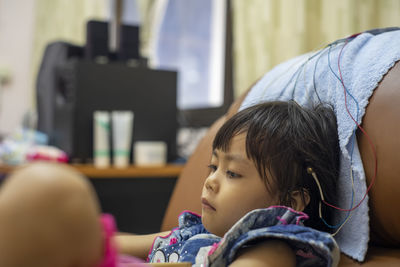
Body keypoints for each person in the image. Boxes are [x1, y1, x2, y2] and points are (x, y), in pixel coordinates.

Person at [0, 100, 340, 267]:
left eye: (232, 173)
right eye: (213, 167)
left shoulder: (271, 241)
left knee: (50, 190)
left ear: (291, 203)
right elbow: (119, 244)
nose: (210, 181)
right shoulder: (191, 234)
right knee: (49, 199)